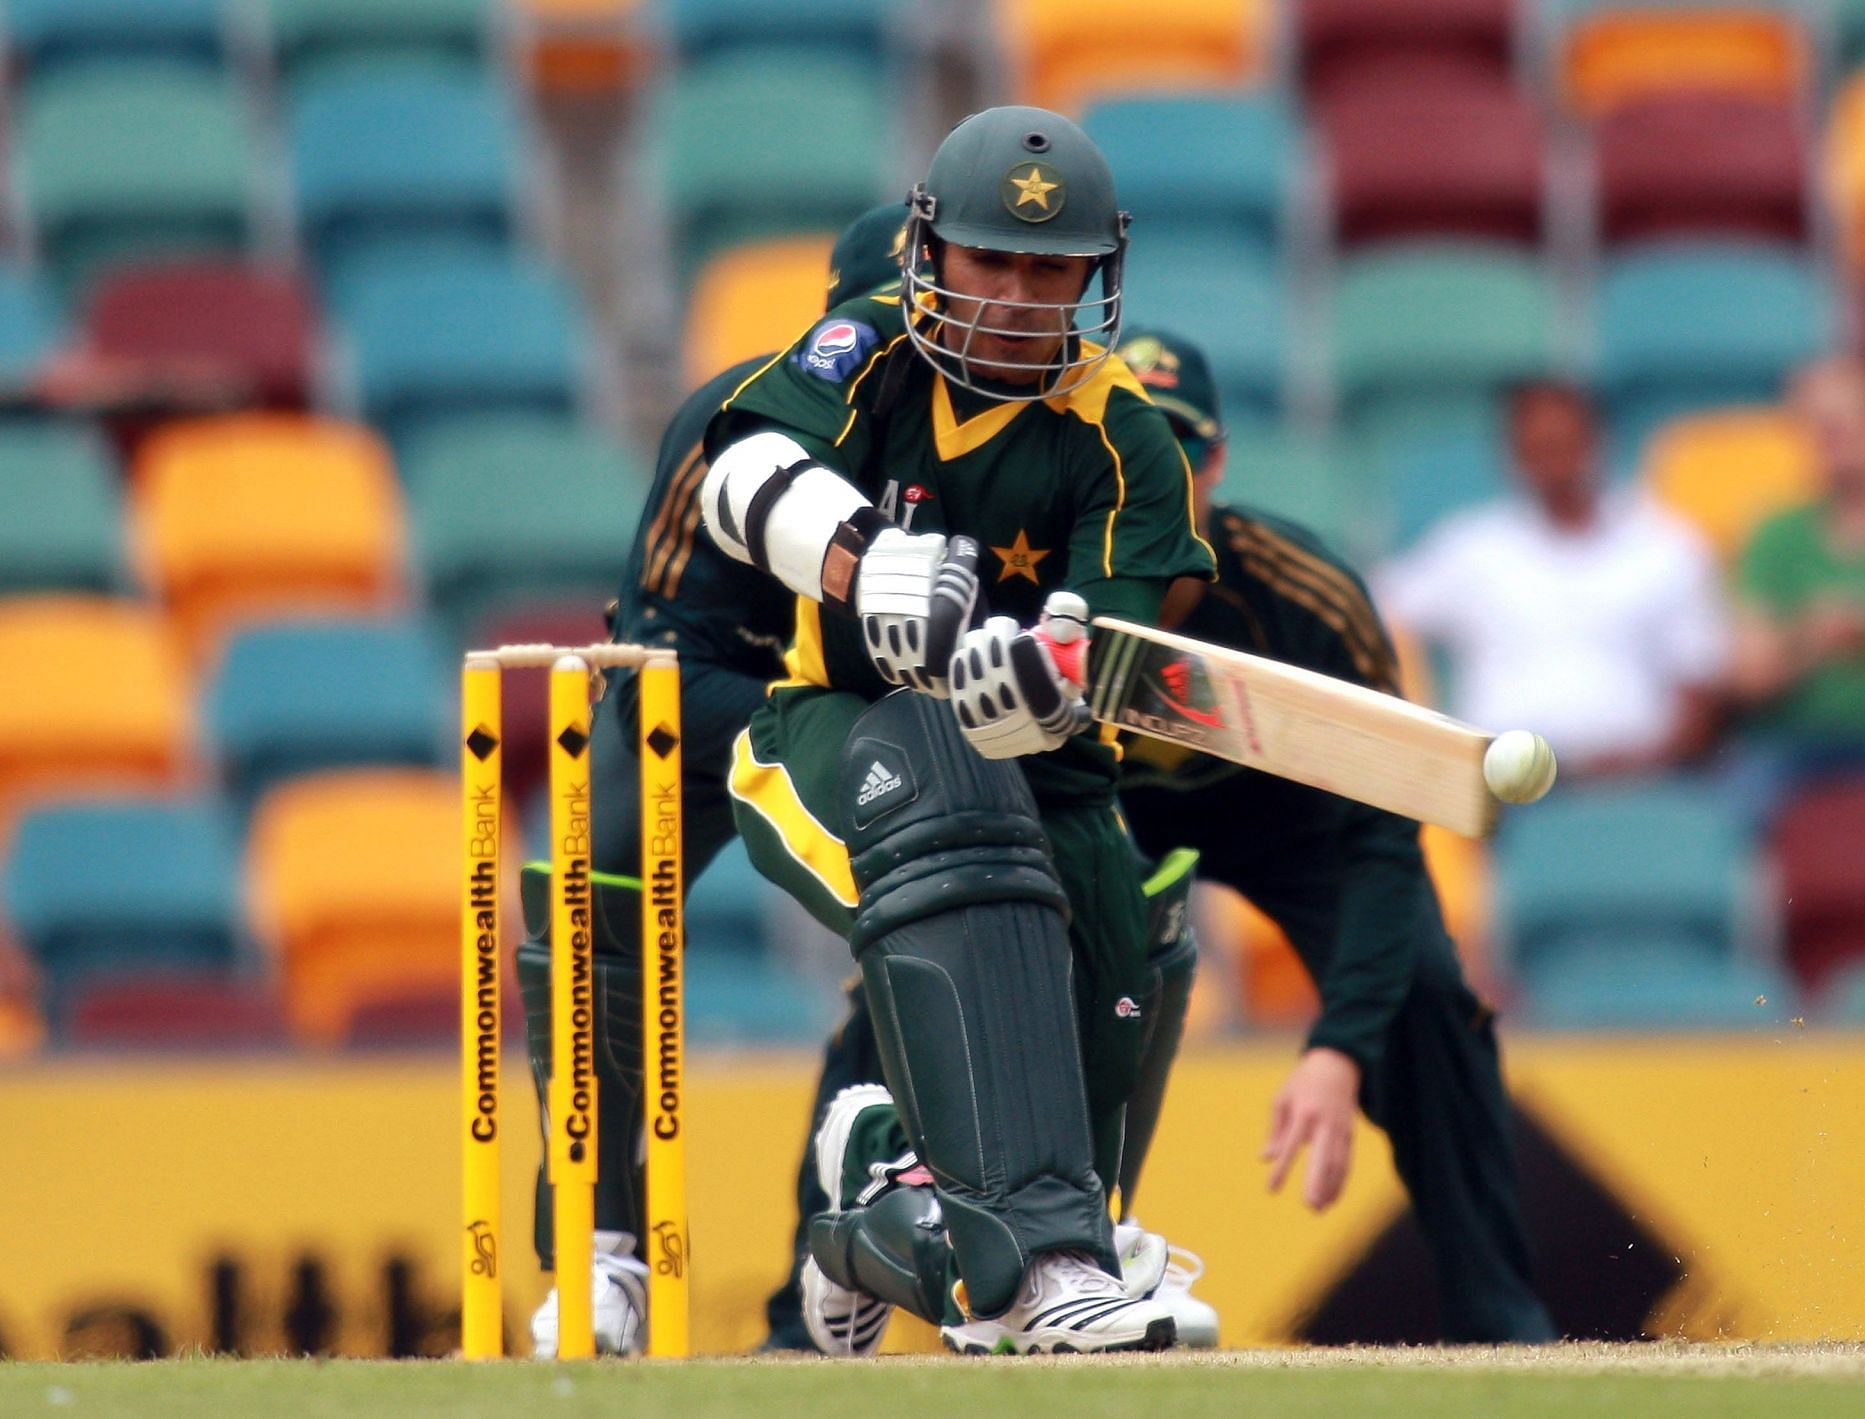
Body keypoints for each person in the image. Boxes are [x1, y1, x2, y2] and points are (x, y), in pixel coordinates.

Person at [777, 330, 1558, 1348]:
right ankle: (825, 1301)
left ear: (1215, 463)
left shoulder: (1304, 595)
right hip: (1087, 804)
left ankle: (1500, 1315)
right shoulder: (1024, 566)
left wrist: (1337, 1050)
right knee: (923, 953)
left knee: (1428, 998)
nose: (1153, 473)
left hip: (1288, 823)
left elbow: (1382, 845)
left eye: (1175, 449)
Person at [700, 105, 1214, 1355]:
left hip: (1054, 790)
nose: (1018, 296)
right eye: (993, 258)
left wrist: (1053, 676)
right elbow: (734, 476)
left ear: (1098, 275)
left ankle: (879, 1212)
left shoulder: (1122, 437)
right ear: (931, 249)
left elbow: (1115, 624)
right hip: (828, 735)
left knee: (1117, 962)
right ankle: (1046, 1268)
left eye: (1052, 268)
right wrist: (861, 562)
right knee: (951, 789)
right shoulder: (865, 348)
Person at [511, 203, 910, 1357]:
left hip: (887, 727)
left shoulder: (978, 436)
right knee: (587, 900)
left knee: (954, 915)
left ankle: (851, 1260)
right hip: (711, 709)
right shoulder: (734, 418)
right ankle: (600, 1255)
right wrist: (810, 722)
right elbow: (653, 662)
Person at [1375, 381, 1728, 780]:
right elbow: (1373, 610)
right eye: (1538, 449)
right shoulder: (1472, 548)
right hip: (1500, 782)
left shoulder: (1666, 546)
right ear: (1512, 454)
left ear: (1598, 442)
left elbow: (1701, 688)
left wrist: (1642, 766)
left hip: (1639, 780)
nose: (1554, 464)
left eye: (1565, 445)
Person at [1729, 356, 1865, 771]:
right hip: (1789, 745)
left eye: (1850, 422)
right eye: (1820, 426)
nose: (1836, 439)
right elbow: (1747, 682)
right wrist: (1810, 640)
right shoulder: (1774, 535)